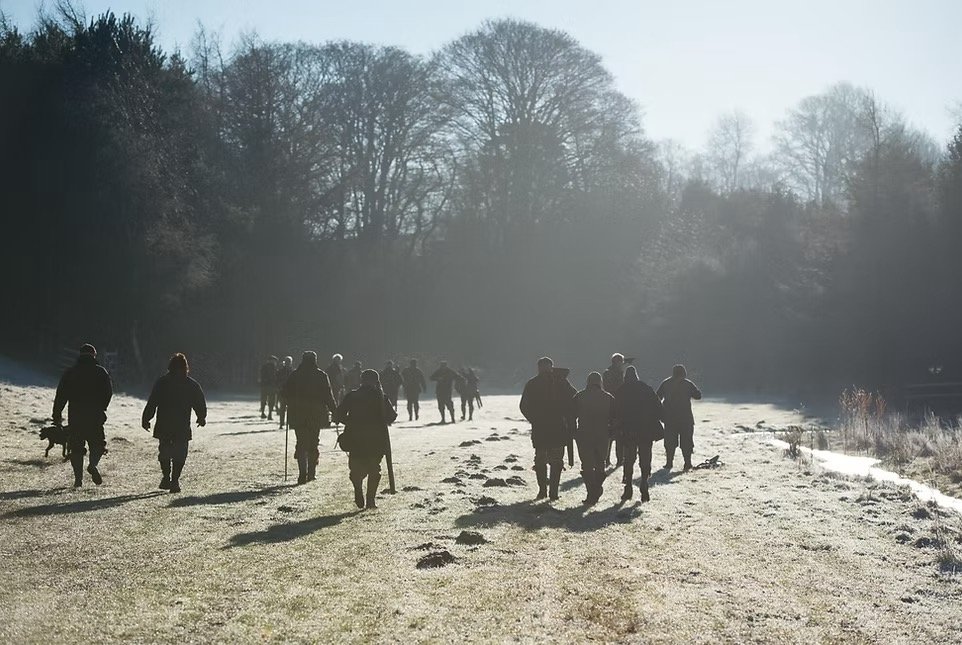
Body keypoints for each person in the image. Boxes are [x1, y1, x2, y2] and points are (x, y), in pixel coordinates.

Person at [141, 353, 207, 493]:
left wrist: (146, 418)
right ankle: (175, 480)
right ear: (185, 367)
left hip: (164, 424)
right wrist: (201, 417)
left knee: (164, 452)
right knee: (180, 454)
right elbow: (199, 402)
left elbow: (153, 401)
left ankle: (166, 477)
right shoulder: (191, 384)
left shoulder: (162, 382)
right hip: (181, 426)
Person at [332, 369, 397, 509]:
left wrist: (349, 422)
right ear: (376, 381)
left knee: (356, 468)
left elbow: (338, 415)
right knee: (374, 469)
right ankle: (370, 501)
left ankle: (357, 488)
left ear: (361, 381)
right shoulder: (380, 397)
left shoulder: (352, 396)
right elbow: (392, 416)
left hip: (354, 439)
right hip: (376, 440)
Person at [52, 343, 113, 487]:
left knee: (76, 448)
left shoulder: (70, 372)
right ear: (94, 355)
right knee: (97, 444)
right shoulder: (101, 372)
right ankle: (92, 465)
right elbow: (108, 392)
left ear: (80, 355)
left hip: (76, 415)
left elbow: (61, 395)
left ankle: (78, 479)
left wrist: (57, 415)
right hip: (95, 416)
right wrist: (102, 407)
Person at [519, 357, 577, 501]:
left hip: (543, 429)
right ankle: (551, 492)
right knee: (554, 462)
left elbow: (523, 406)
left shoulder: (534, 383)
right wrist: (568, 418)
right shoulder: (560, 382)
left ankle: (544, 491)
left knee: (542, 461)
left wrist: (535, 420)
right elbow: (575, 399)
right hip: (556, 428)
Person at [282, 351, 337, 485]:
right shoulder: (321, 375)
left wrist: (288, 404)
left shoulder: (295, 375)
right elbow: (328, 395)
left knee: (301, 442)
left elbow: (285, 393)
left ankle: (302, 474)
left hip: (298, 414)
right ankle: (311, 473)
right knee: (313, 442)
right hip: (316, 414)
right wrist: (335, 411)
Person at [613, 365, 664, 502]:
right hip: (646, 430)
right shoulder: (646, 389)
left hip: (628, 431)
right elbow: (658, 408)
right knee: (645, 458)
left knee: (629, 460)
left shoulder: (621, 391)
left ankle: (628, 487)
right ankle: (644, 485)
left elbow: (615, 411)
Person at [574, 372, 615, 505]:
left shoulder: (579, 396)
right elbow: (615, 417)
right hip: (602, 435)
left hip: (584, 434)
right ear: (600, 382)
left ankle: (592, 492)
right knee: (600, 463)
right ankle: (596, 490)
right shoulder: (608, 398)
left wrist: (574, 432)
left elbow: (571, 415)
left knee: (587, 465)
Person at [657, 364, 703, 471]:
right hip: (685, 419)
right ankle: (687, 463)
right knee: (687, 442)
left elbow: (657, 397)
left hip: (670, 418)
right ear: (684, 373)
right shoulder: (688, 384)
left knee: (670, 442)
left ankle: (669, 463)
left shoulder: (666, 383)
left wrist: (661, 411)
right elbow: (698, 396)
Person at [602, 353, 627, 467]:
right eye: (621, 362)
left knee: (613, 436)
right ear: (617, 362)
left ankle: (613, 459)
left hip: (611, 406)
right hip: (614, 406)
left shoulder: (608, 372)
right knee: (614, 435)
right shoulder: (610, 374)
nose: (622, 364)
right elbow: (612, 388)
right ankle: (612, 459)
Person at [275, 356, 293, 429]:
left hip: (286, 393)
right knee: (286, 409)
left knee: (286, 409)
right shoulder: (292, 371)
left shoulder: (291, 371)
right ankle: (284, 423)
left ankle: (284, 423)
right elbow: (277, 381)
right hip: (285, 392)